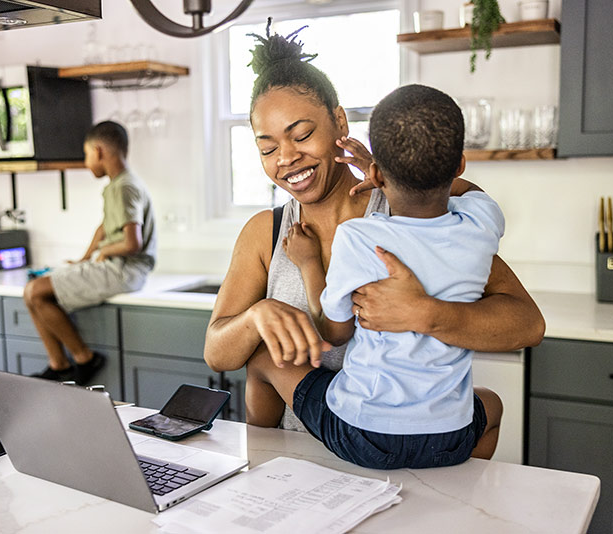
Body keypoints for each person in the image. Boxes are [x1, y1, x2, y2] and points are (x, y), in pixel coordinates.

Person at [203, 21, 544, 439]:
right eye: (267, 148)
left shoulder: (409, 213)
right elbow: (217, 353)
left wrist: (425, 313)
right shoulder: (266, 232)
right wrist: (257, 316)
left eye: (302, 135)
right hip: (299, 468)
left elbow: (527, 324)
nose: (286, 158)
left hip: (403, 467)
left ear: (340, 123)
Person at [273, 83, 503, 468]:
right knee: (491, 405)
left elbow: (335, 334)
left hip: (364, 433)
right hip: (450, 434)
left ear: (376, 171)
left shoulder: (362, 236)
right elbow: (473, 191)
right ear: (460, 164)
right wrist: (392, 171)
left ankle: (258, 466)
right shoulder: (481, 222)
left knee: (267, 362)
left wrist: (309, 263)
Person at [24, 121, 157, 385]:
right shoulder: (118, 184)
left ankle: (83, 358)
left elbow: (133, 243)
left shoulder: (124, 187)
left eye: (86, 155)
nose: (86, 162)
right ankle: (59, 364)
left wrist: (104, 252)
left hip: (126, 270)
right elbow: (105, 227)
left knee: (35, 291)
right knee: (32, 292)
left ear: (98, 151)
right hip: (119, 267)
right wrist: (85, 258)